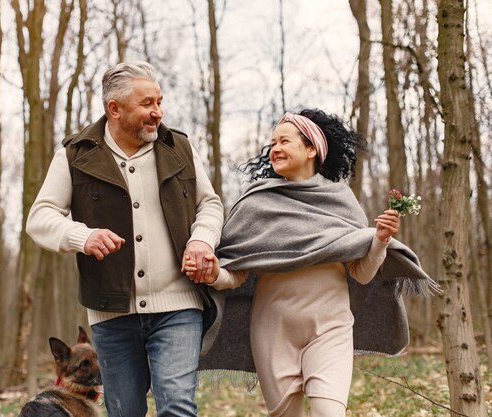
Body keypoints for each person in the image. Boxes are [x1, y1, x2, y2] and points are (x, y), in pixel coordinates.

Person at [186, 109, 438, 417]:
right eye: (272, 143)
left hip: (330, 328)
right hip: (273, 332)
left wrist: (380, 240)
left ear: (311, 149)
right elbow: (236, 273)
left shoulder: (341, 200)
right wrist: (215, 274)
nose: (275, 149)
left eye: (284, 141)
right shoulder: (255, 203)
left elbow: (361, 274)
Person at [26, 61, 224, 417]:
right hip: (111, 311)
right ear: (114, 108)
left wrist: (202, 241)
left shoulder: (178, 148)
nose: (157, 112)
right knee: (125, 411)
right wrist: (80, 236)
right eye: (147, 103)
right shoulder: (75, 155)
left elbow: (209, 204)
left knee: (178, 405)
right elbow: (39, 218)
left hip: (177, 304)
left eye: (159, 102)